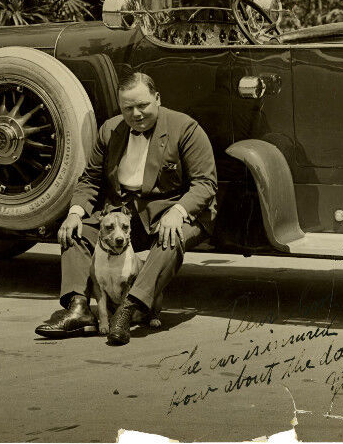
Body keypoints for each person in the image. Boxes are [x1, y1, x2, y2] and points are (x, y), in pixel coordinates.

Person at [34, 72, 217, 345]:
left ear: (157, 98)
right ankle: (78, 307)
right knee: (76, 230)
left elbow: (205, 183)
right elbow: (90, 179)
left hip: (173, 211)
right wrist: (74, 212)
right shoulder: (110, 129)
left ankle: (129, 309)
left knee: (170, 237)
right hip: (122, 216)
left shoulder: (186, 128)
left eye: (142, 105)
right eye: (128, 108)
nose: (136, 114)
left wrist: (178, 212)